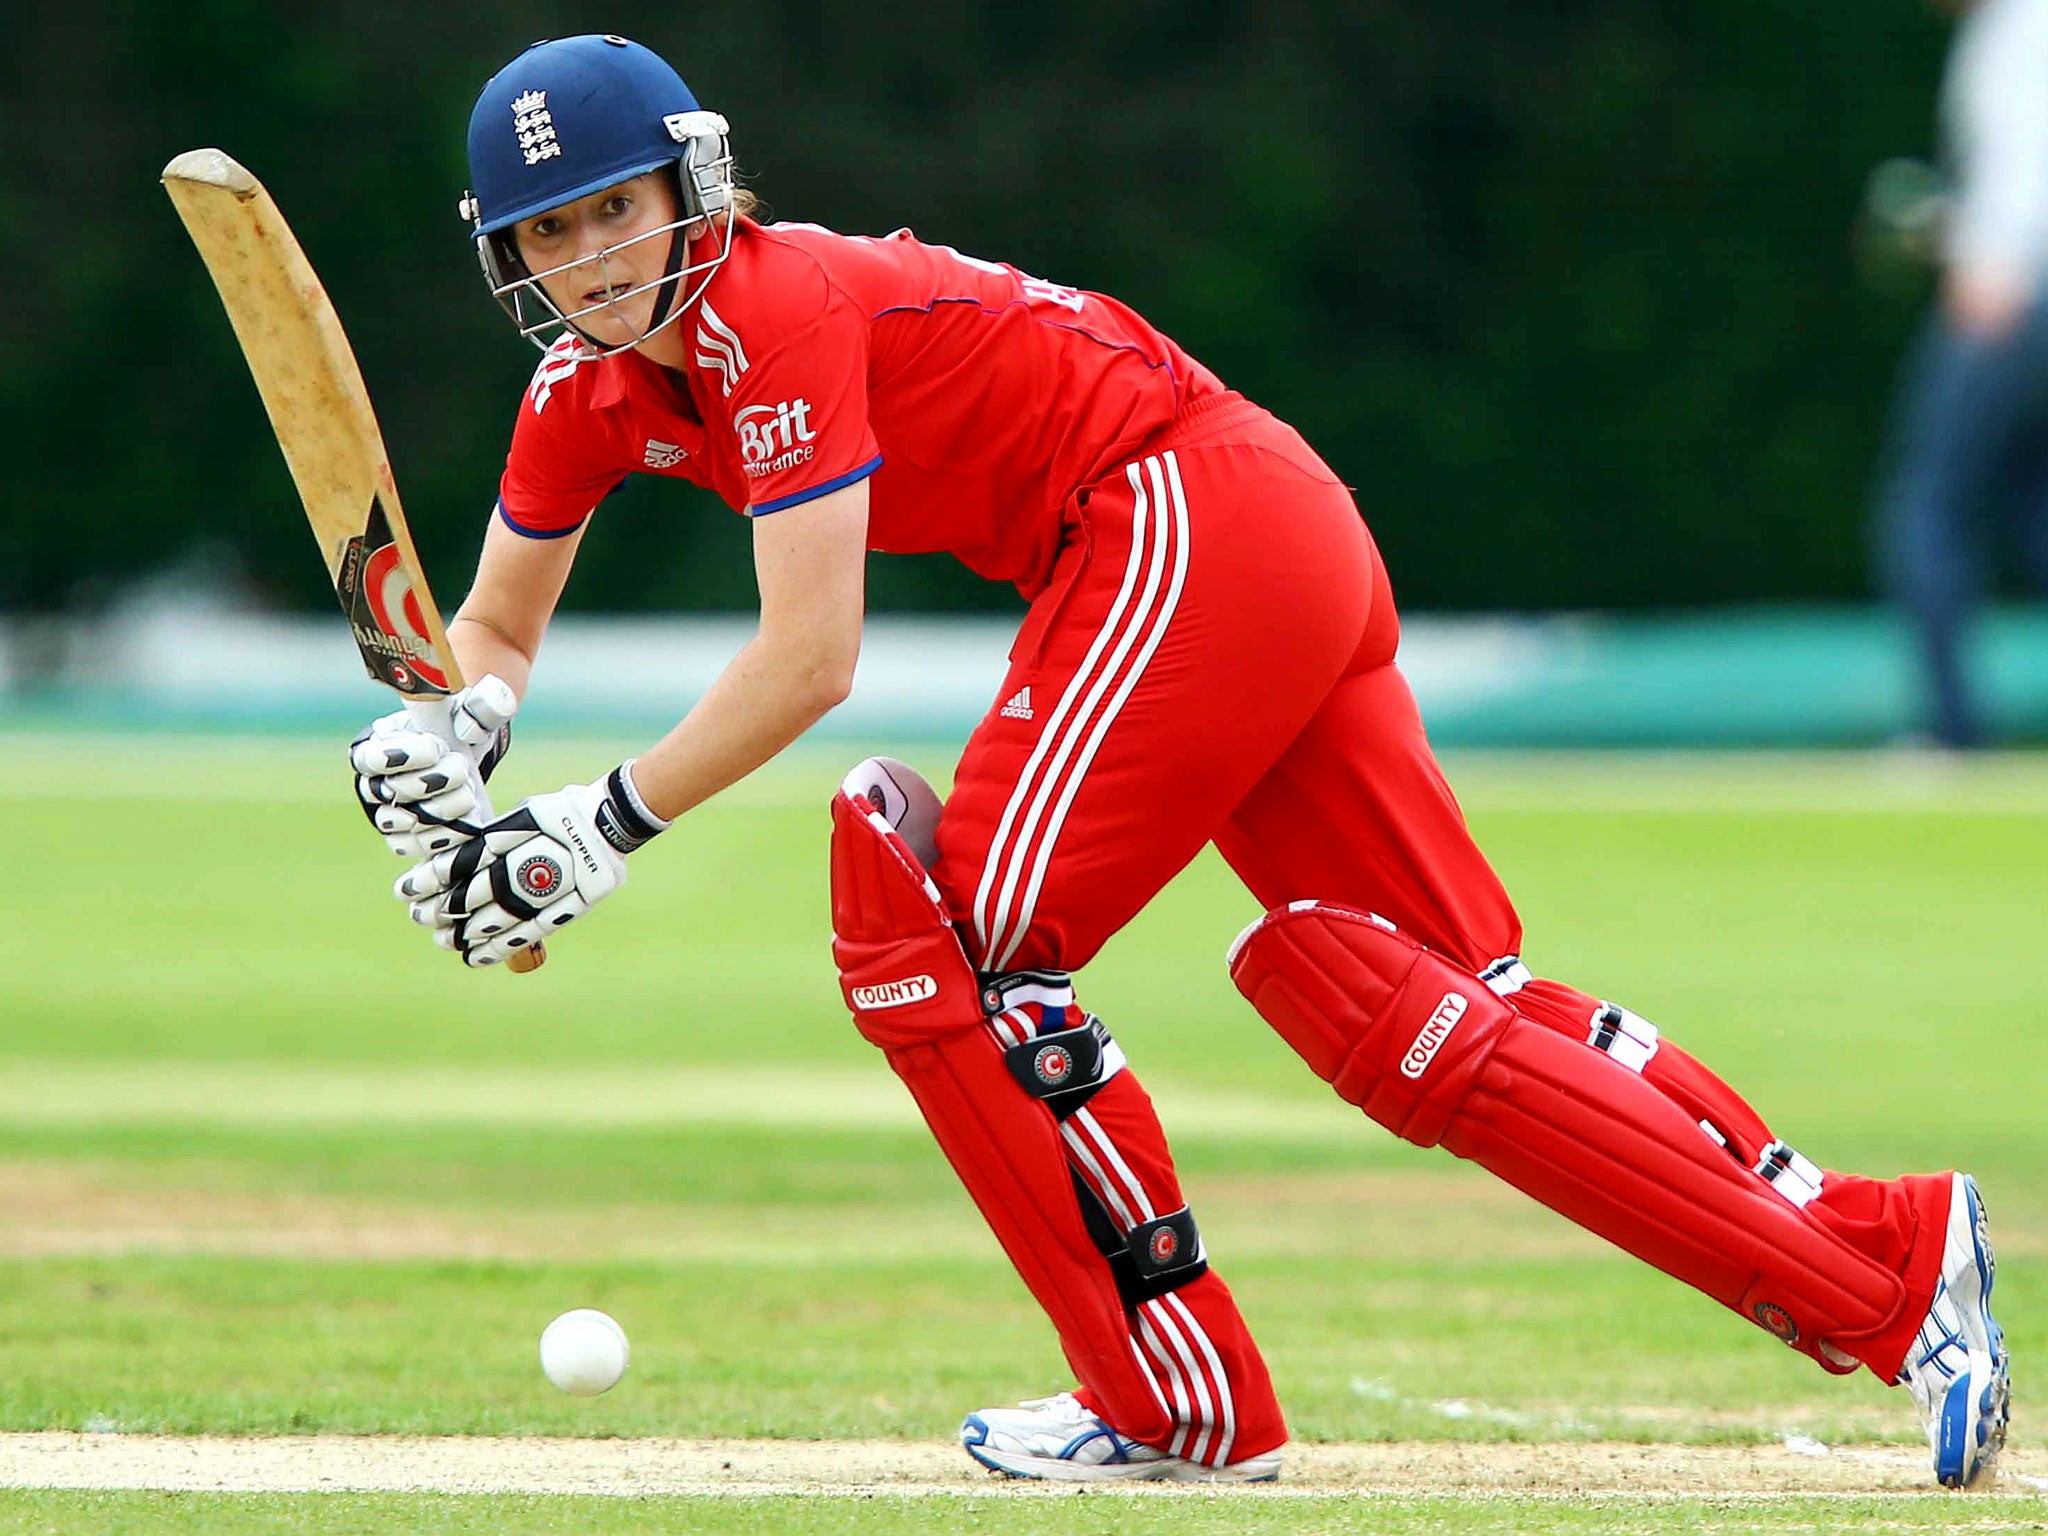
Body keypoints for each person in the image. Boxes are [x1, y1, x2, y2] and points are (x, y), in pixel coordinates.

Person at [349, 35, 2010, 1487]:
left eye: (615, 207)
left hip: (1171, 513)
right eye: (548, 233)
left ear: (693, 184)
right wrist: (457, 734)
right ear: (510, 255)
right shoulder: (581, 392)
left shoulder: (770, 307)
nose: (589, 258)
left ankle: (1172, 1396)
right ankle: (1888, 1259)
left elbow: (809, 657)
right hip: (1247, 521)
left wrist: (592, 827)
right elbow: (495, 630)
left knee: (940, 922)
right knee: (1428, 997)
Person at [1873, 0, 2048, 747]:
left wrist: (1994, 256)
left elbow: (2029, 151)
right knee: (2036, 511)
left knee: (1927, 505)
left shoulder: (2019, 27)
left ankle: (1950, 730)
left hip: (2012, 293)